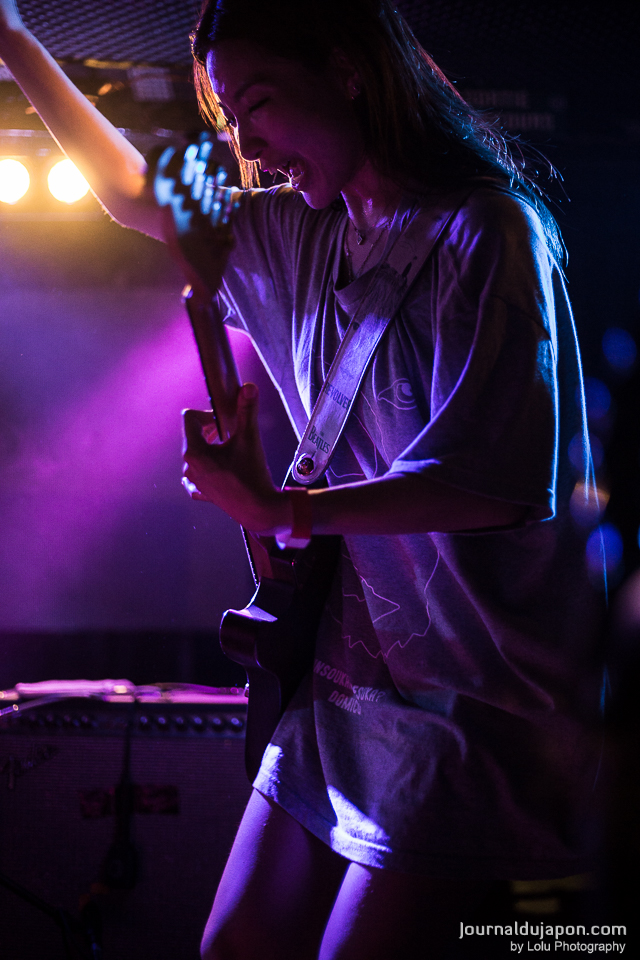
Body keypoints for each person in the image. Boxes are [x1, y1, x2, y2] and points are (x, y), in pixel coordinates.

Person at [0, 1, 605, 957]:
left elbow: (496, 486)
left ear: (349, 69)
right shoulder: (303, 234)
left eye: (259, 104)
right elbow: (135, 195)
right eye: (229, 118)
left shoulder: (489, 228)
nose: (246, 146)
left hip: (474, 707)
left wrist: (282, 507)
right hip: (348, 687)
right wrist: (15, 42)